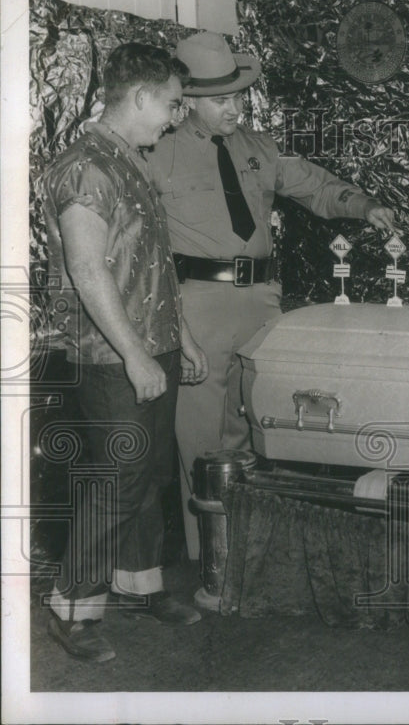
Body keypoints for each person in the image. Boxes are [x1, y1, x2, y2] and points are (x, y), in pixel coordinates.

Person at [145, 31, 398, 559]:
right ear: (187, 103)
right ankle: (209, 557)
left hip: (260, 300)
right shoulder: (157, 155)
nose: (235, 107)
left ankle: (250, 552)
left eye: (238, 96)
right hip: (197, 302)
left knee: (252, 421)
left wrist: (363, 204)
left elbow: (313, 185)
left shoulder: (258, 148)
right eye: (221, 99)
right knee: (199, 437)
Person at [42, 43, 210, 662]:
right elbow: (88, 271)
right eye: (171, 103)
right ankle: (70, 605)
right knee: (119, 478)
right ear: (139, 96)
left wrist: (181, 337)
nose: (174, 116)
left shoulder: (130, 160)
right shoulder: (85, 165)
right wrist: (137, 356)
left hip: (153, 342)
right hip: (113, 354)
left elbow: (152, 267)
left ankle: (140, 583)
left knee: (151, 474)